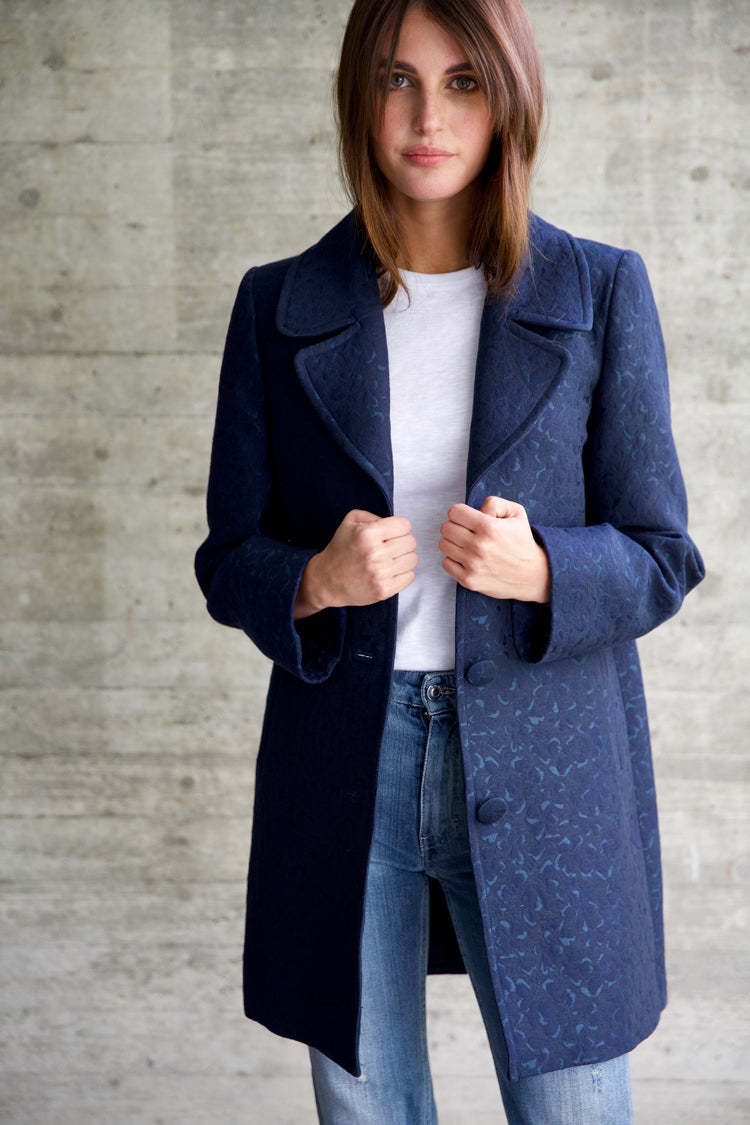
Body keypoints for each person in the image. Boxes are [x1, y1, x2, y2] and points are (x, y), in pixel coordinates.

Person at [195, 0, 704, 1120]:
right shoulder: (277, 304)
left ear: (508, 96)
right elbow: (228, 555)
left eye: (464, 81)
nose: (429, 116)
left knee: (573, 1105)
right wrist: (314, 581)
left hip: (546, 758)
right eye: (398, 80)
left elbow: (664, 555)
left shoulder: (598, 289)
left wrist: (546, 570)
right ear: (358, 97)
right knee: (366, 1104)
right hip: (345, 761)